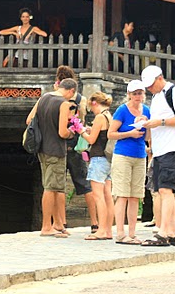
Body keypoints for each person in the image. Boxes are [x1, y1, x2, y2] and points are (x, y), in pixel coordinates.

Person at [140, 65, 175, 247]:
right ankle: (172, 231)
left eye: (151, 85)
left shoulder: (174, 92)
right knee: (163, 190)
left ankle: (162, 232)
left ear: (160, 79)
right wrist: (146, 123)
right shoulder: (157, 96)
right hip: (160, 149)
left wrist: (160, 122)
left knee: (166, 190)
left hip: (172, 146)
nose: (149, 89)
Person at [26, 78, 77, 237]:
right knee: (50, 188)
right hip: (55, 149)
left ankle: (57, 223)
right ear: (71, 91)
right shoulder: (63, 104)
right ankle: (46, 226)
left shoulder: (44, 98)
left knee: (55, 187)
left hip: (42, 148)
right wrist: (72, 132)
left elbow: (29, 120)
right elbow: (62, 132)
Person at [55, 66, 98, 234]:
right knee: (85, 184)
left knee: (59, 186)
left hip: (59, 142)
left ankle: (62, 223)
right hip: (76, 144)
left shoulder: (56, 98)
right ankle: (95, 223)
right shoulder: (82, 99)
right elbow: (83, 119)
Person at [108, 79, 149, 244]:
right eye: (135, 94)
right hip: (123, 154)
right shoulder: (122, 111)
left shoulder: (146, 110)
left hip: (140, 154)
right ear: (129, 95)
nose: (138, 96)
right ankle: (119, 232)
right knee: (122, 194)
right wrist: (129, 133)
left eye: (140, 93)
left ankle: (132, 233)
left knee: (135, 195)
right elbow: (111, 133)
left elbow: (148, 135)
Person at [77, 92, 115, 240]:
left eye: (90, 107)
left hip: (98, 159)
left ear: (94, 103)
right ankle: (108, 231)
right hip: (108, 160)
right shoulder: (108, 116)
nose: (91, 111)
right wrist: (91, 130)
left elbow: (92, 140)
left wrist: (81, 132)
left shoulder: (99, 117)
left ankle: (100, 230)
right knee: (108, 196)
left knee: (98, 196)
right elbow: (103, 135)